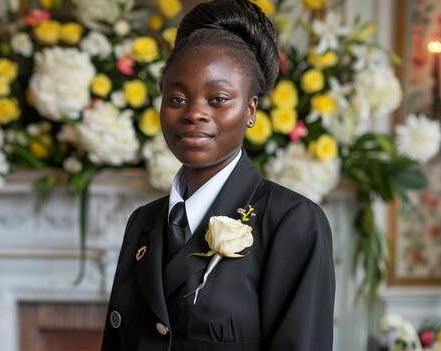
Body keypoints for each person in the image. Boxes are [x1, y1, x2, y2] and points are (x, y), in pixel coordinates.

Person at [100, 0, 335, 350]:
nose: (194, 113)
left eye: (219, 99)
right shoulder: (142, 223)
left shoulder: (292, 223)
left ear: (250, 110)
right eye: (177, 99)